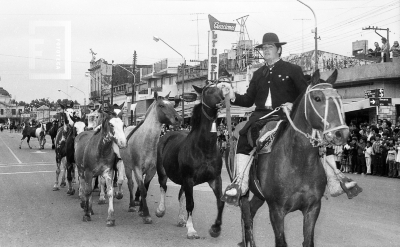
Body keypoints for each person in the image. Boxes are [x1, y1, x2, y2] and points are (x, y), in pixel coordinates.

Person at [219, 32, 357, 199]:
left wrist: (293, 104)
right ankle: (240, 183)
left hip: (287, 116)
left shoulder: (292, 69)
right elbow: (248, 100)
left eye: (270, 47)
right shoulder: (257, 73)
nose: (266, 50)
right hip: (262, 116)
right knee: (243, 136)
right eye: (264, 48)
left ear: (279, 49)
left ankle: (334, 180)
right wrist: (232, 96)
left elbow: (305, 94)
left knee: (319, 136)